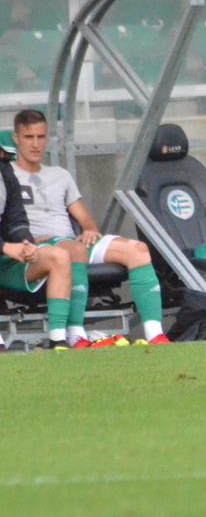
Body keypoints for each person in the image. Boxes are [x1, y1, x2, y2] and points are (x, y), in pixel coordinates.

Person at [11, 109, 169, 346]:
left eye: (41, 137)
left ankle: (156, 335)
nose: (35, 144)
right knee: (73, 249)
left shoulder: (60, 175)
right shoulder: (6, 175)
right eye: (28, 137)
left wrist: (89, 229)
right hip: (36, 248)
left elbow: (84, 218)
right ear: (16, 138)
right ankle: (76, 336)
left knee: (137, 249)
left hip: (70, 242)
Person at [0, 142, 76, 350]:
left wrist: (27, 244)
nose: (4, 156)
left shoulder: (5, 173)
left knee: (59, 255)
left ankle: (58, 339)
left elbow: (16, 219)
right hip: (4, 251)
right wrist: (4, 246)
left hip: (8, 259)